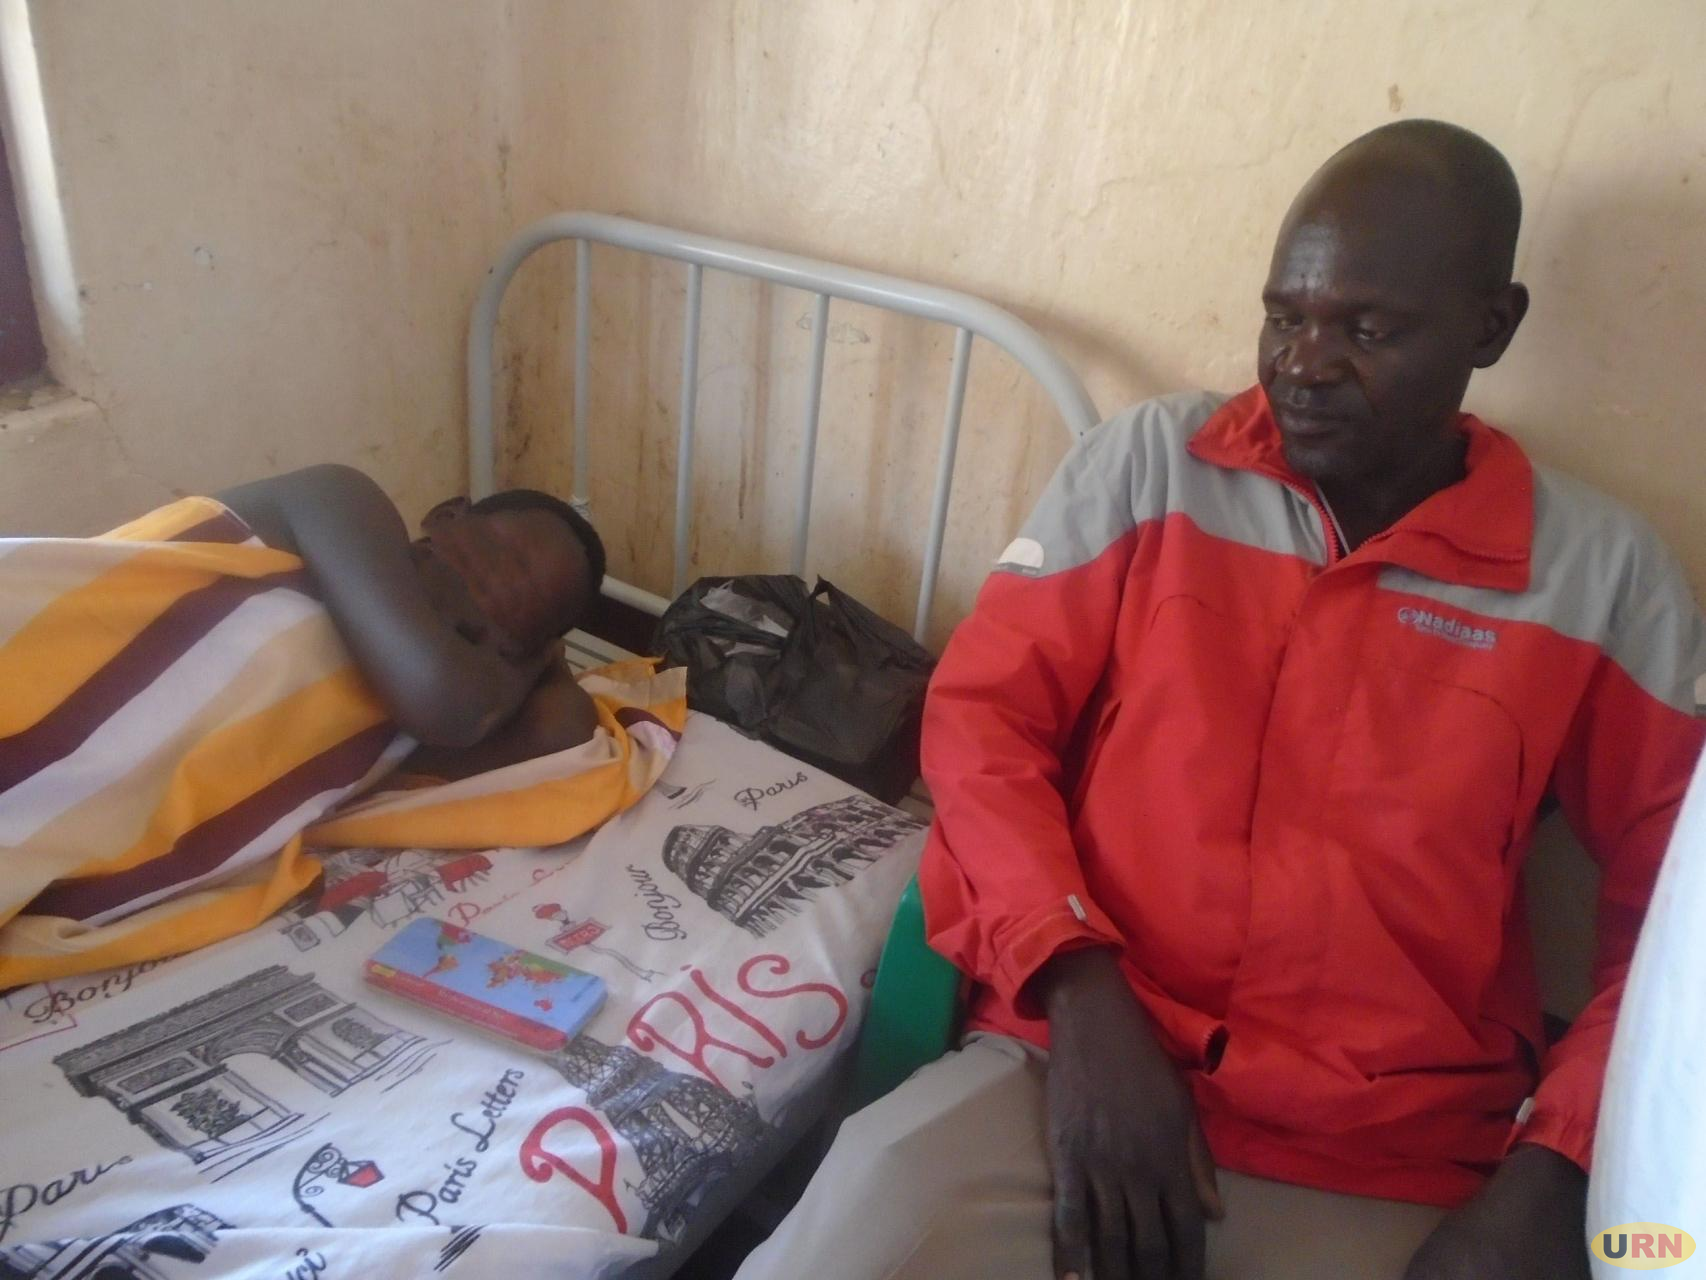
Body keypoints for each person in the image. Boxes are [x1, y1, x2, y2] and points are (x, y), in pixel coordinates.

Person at [735, 121, 1706, 1280]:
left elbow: (1675, 926)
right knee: (832, 1247)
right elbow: (984, 723)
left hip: (1383, 1149)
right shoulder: (1153, 466)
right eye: (1284, 316)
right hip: (1074, 1067)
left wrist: (1552, 1170)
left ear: (1490, 326)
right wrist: (1079, 992)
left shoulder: (1599, 581)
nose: (1301, 362)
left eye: (1364, 327)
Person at [0, 467, 617, 986]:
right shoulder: (339, 500)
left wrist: (529, 663)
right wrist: (523, 657)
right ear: (448, 515)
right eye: (504, 555)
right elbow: (445, 698)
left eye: (528, 610)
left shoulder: (417, 723)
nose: (505, 586)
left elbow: (562, 730)